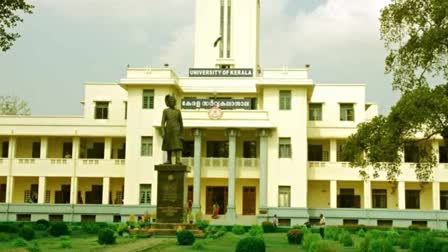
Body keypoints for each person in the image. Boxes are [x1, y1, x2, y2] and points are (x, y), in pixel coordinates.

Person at [161, 95, 184, 164]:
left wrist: (181, 133)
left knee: (177, 146)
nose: (172, 102)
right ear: (168, 102)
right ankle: (169, 160)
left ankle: (178, 159)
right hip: (168, 130)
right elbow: (162, 122)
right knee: (169, 146)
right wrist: (163, 132)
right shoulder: (165, 111)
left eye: (173, 101)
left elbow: (181, 123)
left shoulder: (178, 111)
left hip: (177, 131)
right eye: (171, 101)